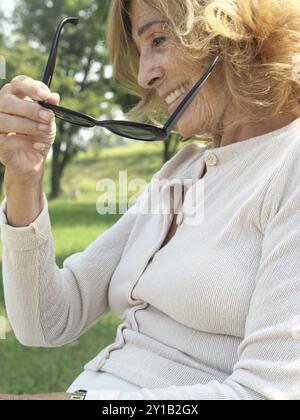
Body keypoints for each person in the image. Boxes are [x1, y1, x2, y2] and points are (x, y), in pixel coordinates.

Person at [0, 0, 300, 401]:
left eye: (158, 40)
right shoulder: (183, 170)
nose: (145, 76)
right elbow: (46, 321)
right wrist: (24, 177)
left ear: (234, 33)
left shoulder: (289, 165)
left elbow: (265, 394)